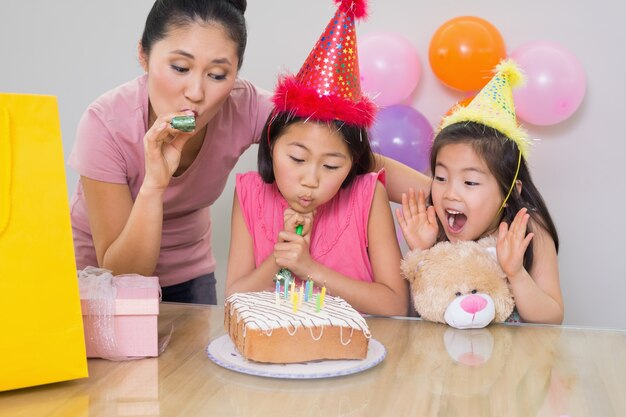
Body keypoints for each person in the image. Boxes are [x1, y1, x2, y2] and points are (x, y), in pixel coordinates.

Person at [68, 0, 428, 305]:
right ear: (144, 55)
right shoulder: (106, 125)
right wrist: (153, 186)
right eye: (179, 68)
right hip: (100, 283)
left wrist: (445, 193)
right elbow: (121, 275)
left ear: (236, 74)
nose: (195, 92)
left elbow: (333, 147)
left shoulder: (244, 106)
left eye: (218, 74)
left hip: (190, 276)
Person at [225, 0, 409, 316]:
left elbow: (395, 304)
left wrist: (308, 267)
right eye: (297, 159)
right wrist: (280, 259)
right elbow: (233, 298)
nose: (311, 180)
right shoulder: (249, 193)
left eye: (331, 166)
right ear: (271, 143)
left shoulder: (368, 195)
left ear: (353, 163)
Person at [396, 60, 564, 324]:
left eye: (470, 182)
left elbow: (552, 319)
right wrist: (422, 253)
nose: (450, 193)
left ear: (510, 191)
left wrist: (516, 272)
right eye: (440, 177)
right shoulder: (433, 228)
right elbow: (424, 316)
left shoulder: (529, 229)